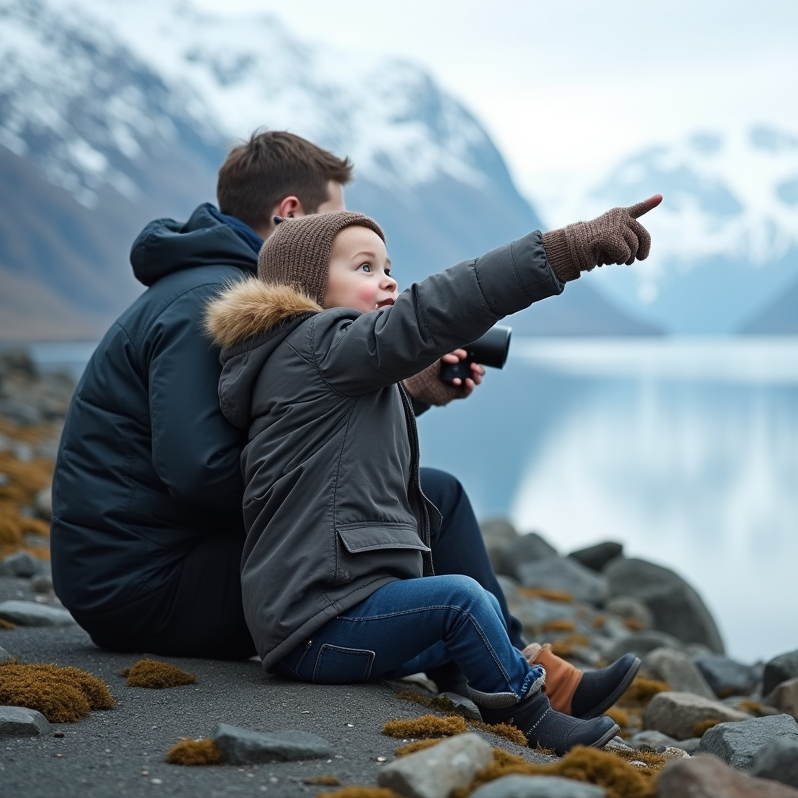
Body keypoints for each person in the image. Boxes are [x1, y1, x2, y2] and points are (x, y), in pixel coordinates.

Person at [202, 196, 661, 752]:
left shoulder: (313, 358)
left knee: (445, 521)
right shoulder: (316, 344)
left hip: (330, 615)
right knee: (461, 602)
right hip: (316, 630)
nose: (390, 282)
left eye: (389, 269)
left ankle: (502, 679)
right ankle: (533, 718)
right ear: (305, 287)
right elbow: (432, 311)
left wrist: (415, 389)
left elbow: (346, 444)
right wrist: (563, 252)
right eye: (366, 268)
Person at [50, 131, 516, 665]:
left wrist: (410, 391)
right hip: (144, 584)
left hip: (173, 557)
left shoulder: (231, 292)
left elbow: (292, 432)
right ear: (291, 215)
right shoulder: (213, 304)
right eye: (334, 216)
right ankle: (505, 668)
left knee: (433, 495)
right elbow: (200, 471)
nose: (341, 230)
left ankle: (510, 662)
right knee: (394, 522)